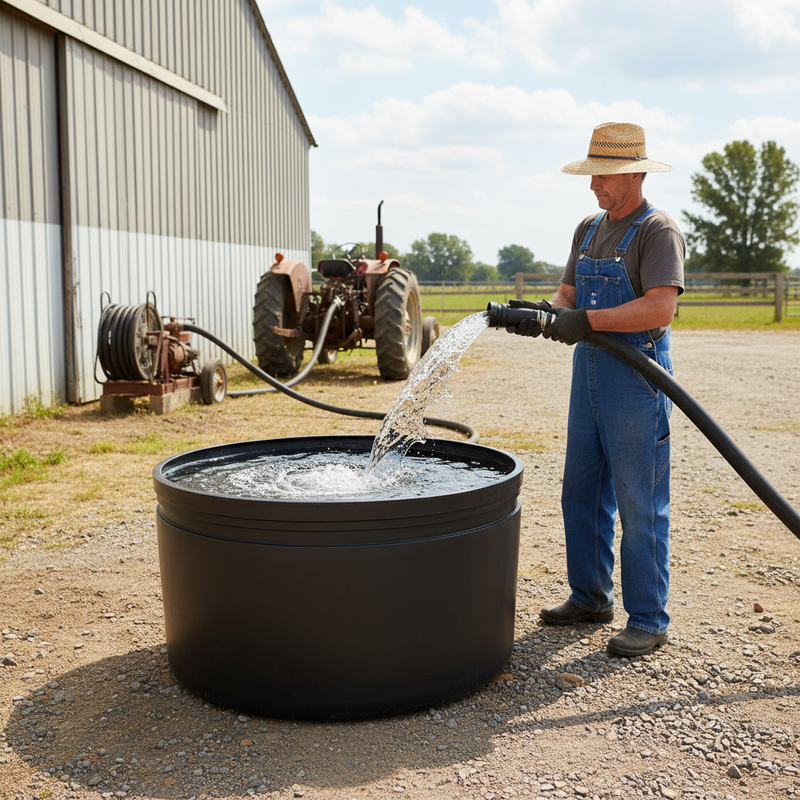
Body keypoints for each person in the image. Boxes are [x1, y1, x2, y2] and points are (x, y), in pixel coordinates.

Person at [510, 122, 685, 657]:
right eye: (591, 176)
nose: (593, 186)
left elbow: (660, 307)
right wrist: (548, 314)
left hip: (636, 376)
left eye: (602, 176)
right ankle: (590, 596)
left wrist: (586, 319)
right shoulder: (588, 228)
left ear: (633, 173)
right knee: (580, 491)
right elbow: (567, 292)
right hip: (588, 372)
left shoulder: (658, 231)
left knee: (638, 500)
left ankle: (649, 619)